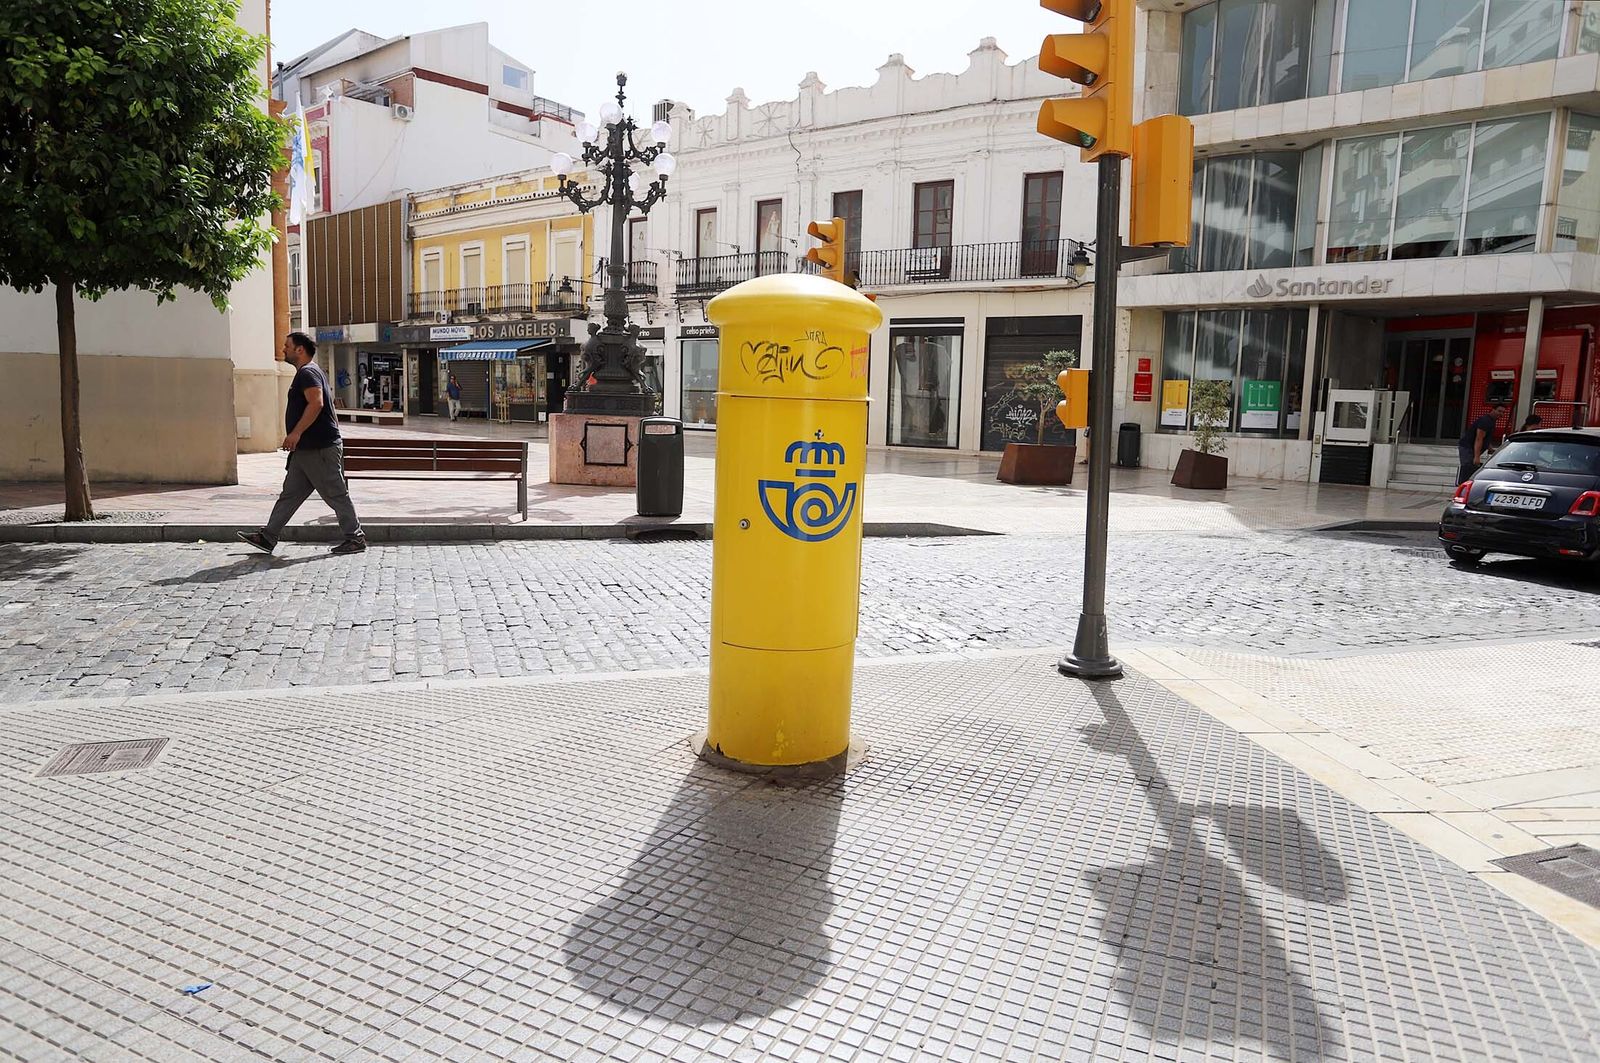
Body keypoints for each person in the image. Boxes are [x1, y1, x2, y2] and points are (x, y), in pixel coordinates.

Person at [238, 332, 367, 556]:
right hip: (307, 450)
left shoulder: (308, 373)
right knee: (290, 495)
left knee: (335, 493)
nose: (283, 349)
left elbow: (316, 403)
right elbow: (329, 409)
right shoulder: (310, 372)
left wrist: (296, 433)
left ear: (300, 350)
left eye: (287, 346)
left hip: (318, 448)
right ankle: (268, 537)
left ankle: (355, 537)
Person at [1457, 402, 1507, 485]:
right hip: (1468, 448)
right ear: (1493, 410)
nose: (1501, 414)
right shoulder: (1485, 421)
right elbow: (1479, 438)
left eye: (1503, 412)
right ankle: (1462, 490)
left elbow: (1486, 438)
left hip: (1472, 448)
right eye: (1499, 411)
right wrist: (1476, 457)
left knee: (1471, 469)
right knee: (1468, 469)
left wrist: (1490, 448)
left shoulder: (1492, 421)